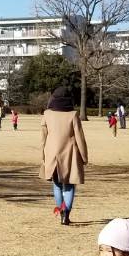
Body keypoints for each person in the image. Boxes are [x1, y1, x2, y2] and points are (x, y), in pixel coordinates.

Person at [42, 86, 89, 225]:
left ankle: (61, 210)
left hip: (51, 154)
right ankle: (66, 214)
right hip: (70, 154)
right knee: (69, 185)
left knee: (56, 185)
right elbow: (80, 137)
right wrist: (84, 157)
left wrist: (43, 156)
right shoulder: (73, 115)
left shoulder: (47, 114)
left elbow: (43, 138)